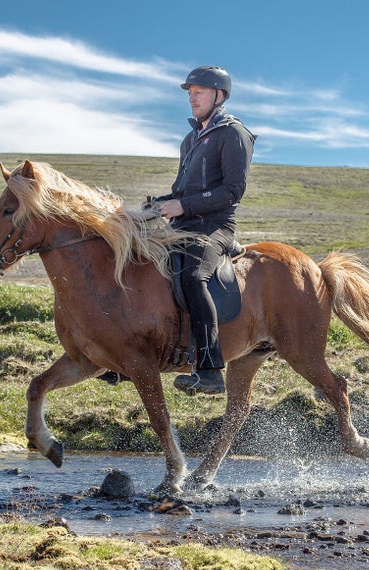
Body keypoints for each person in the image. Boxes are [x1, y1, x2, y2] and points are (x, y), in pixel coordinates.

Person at [156, 65, 256, 395]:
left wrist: (183, 207)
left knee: (192, 277)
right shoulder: (191, 139)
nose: (191, 98)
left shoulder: (233, 133)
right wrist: (155, 207)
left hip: (216, 226)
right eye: (189, 93)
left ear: (219, 95)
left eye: (198, 92)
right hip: (184, 226)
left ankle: (211, 370)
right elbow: (181, 191)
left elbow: (232, 191)